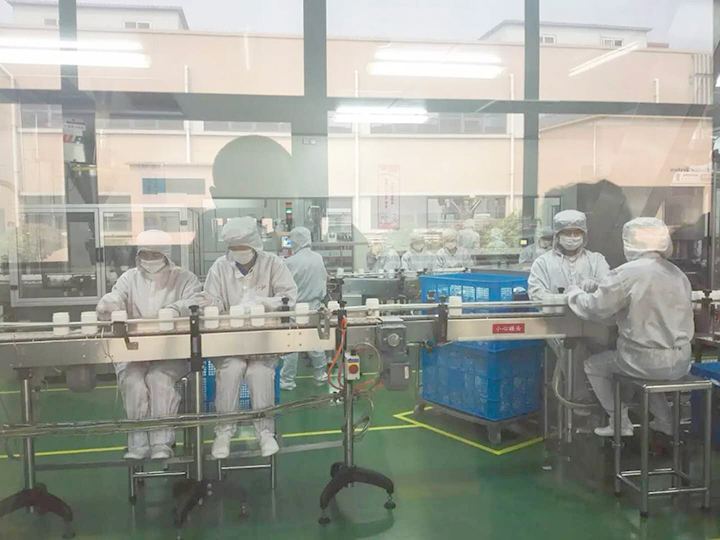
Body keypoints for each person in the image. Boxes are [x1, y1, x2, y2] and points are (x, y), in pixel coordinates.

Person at [567, 218, 693, 437]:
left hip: (642, 360)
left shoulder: (626, 273)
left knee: (593, 365)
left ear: (630, 241)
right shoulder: (678, 274)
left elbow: (595, 308)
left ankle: (620, 423)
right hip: (681, 361)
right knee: (650, 374)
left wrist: (574, 293)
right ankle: (666, 421)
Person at [96, 230, 202, 460]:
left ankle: (161, 442)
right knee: (133, 381)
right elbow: (117, 296)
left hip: (171, 352)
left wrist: (176, 309)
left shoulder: (184, 278)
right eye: (145, 254)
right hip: (136, 352)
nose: (149, 259)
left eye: (155, 254)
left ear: (166, 255)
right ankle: (138, 443)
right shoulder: (129, 278)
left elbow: (196, 301)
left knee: (159, 379)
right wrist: (110, 303)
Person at [200, 217, 298, 458]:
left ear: (254, 244)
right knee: (231, 370)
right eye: (234, 248)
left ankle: (265, 433)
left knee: (259, 373)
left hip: (263, 342)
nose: (239, 252)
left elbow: (289, 297)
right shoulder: (220, 267)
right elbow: (211, 299)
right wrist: (211, 305)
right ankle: (223, 433)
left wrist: (261, 303)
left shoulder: (273, 264)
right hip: (230, 342)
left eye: (243, 247)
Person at [528, 210, 611, 404]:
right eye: (567, 233)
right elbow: (536, 294)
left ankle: (611, 401)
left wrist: (597, 285)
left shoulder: (596, 260)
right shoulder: (543, 262)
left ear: (584, 234)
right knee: (572, 347)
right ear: (557, 235)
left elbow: (610, 288)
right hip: (556, 325)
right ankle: (579, 401)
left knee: (612, 345)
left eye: (577, 233)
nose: (572, 237)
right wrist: (565, 299)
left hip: (593, 323)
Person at [279, 227, 329, 390]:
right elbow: (324, 279)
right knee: (314, 341)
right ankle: (320, 374)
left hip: (295, 308)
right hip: (314, 306)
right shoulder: (318, 258)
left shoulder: (290, 262)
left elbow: (282, 287)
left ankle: (287, 381)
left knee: (292, 344)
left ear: (295, 241)